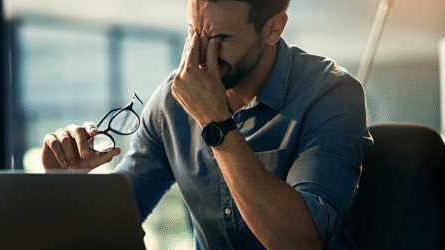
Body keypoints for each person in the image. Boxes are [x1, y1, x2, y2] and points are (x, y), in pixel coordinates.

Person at [42, 0, 373, 249]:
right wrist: (66, 183)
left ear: (273, 28)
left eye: (221, 38)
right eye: (194, 32)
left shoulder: (331, 95)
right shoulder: (171, 104)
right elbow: (115, 226)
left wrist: (215, 122)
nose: (200, 55)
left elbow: (300, 241)